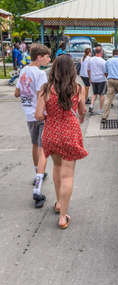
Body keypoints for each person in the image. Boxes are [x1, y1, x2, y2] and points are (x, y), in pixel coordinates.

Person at [35, 54, 87, 228]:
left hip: (51, 133)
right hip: (70, 133)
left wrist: (51, 114)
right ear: (72, 70)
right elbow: (83, 111)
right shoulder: (78, 88)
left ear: (54, 69)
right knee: (68, 174)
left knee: (57, 168)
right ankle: (63, 216)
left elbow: (38, 115)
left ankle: (58, 203)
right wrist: (78, 118)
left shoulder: (45, 89)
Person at [14, 44, 51, 208]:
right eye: (47, 56)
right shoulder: (40, 74)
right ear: (39, 57)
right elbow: (41, 95)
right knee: (43, 149)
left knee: (35, 144)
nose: (49, 59)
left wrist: (26, 92)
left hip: (28, 114)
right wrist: (40, 112)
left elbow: (17, 93)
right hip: (40, 115)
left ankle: (38, 172)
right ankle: (37, 189)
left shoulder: (23, 71)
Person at [87, 45, 106, 114]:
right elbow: (105, 72)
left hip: (93, 79)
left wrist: (90, 78)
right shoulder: (103, 61)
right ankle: (100, 110)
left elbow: (88, 70)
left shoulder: (90, 60)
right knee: (101, 94)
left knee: (94, 93)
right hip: (101, 79)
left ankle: (91, 105)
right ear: (101, 52)